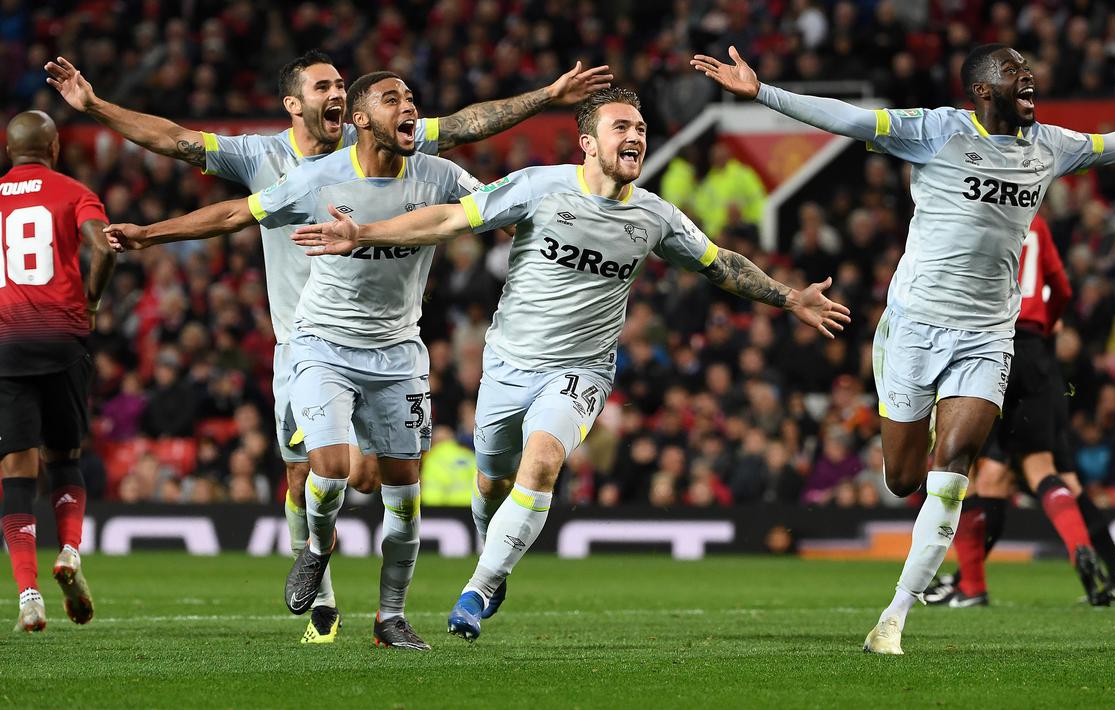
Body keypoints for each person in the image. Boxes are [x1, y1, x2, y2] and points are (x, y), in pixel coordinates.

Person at [46, 50, 611, 644]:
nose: (340, 94)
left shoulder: (420, 156)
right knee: (315, 475)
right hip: (307, 341)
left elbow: (477, 133)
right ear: (296, 103)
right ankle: (322, 592)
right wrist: (106, 129)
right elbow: (188, 152)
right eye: (325, 86)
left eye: (345, 84)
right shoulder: (271, 159)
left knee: (385, 485)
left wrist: (546, 99)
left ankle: (390, 613)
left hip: (395, 349)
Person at [691, 43, 1115, 655]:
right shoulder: (936, 131)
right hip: (914, 327)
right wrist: (762, 92)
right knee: (902, 480)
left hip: (989, 335)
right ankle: (907, 454)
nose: (1026, 74)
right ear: (980, 90)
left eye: (1028, 66)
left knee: (953, 471)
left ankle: (893, 619)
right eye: (1011, 70)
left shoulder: (1048, 146)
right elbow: (847, 117)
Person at [291, 87, 852, 643]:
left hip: (580, 371)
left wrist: (787, 297)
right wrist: (361, 232)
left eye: (640, 129)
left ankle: (481, 586)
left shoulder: (656, 217)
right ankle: (494, 548)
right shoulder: (539, 187)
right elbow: (448, 221)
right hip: (507, 365)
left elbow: (719, 262)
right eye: (621, 128)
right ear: (588, 142)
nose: (634, 137)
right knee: (492, 483)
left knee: (543, 461)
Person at [104, 71, 486, 651]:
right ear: (362, 119)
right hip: (322, 343)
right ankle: (316, 549)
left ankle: (391, 618)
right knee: (327, 468)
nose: (409, 107)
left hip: (399, 351)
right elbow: (235, 213)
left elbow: (507, 200)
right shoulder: (316, 179)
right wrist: (150, 235)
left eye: (412, 99)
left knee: (404, 496)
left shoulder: (442, 176)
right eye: (393, 100)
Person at [924, 216, 1115, 608]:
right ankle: (1086, 554)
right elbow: (1062, 288)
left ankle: (970, 585)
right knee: (1040, 471)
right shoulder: (1036, 222)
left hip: (992, 346)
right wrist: (1047, 325)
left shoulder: (976, 210)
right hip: (1039, 355)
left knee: (971, 469)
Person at [0, 111, 116, 632]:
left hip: (7, 346)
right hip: (64, 340)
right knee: (65, 459)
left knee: (16, 473)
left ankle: (28, 598)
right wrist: (91, 298)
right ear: (53, 147)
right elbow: (103, 244)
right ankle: (69, 552)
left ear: (9, 151)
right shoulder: (73, 191)